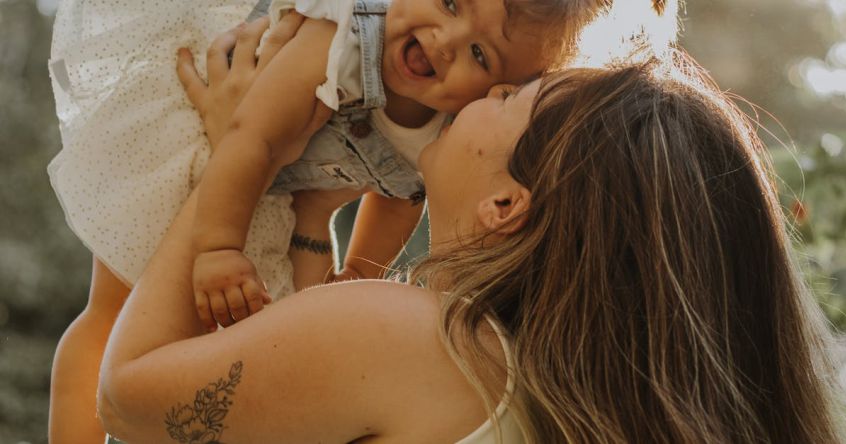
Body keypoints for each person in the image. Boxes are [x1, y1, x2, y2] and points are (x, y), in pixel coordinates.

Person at [96, 33, 846, 442]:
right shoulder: (541, 399)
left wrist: (235, 149)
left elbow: (130, 398)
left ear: (505, 203)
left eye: (514, 95)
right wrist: (301, 212)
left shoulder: (419, 342)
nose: (485, 91)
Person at [49, 0, 683, 441]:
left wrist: (359, 271)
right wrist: (220, 241)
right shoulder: (349, 38)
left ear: (508, 204)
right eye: (449, 4)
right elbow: (254, 132)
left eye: (496, 75)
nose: (443, 40)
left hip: (259, 190)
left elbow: (400, 196)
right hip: (216, 159)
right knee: (108, 311)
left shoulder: (440, 123)